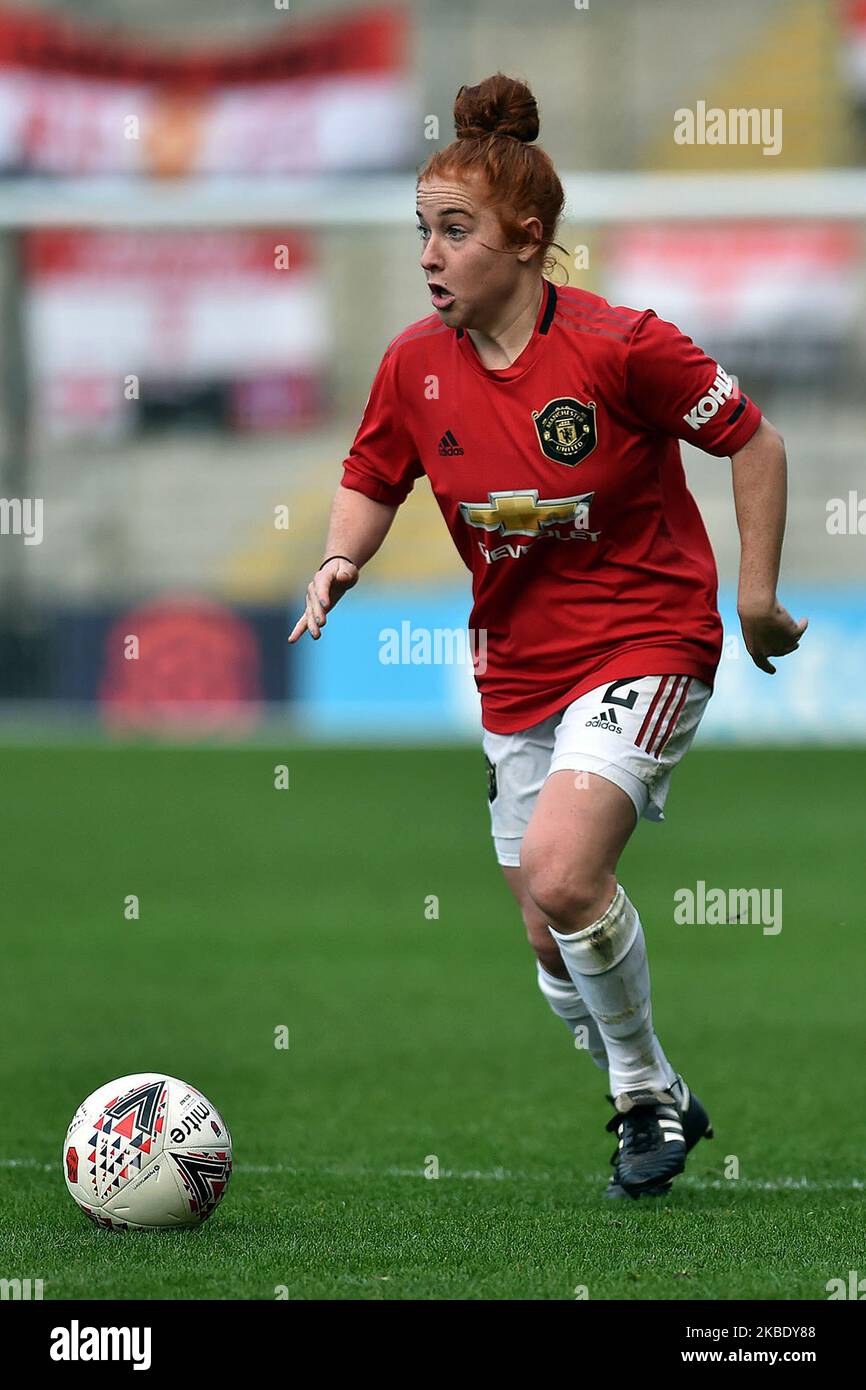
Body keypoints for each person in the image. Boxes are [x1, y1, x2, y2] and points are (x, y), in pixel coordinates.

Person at [288, 72, 807, 1198]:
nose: (428, 254)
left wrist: (755, 599)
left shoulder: (624, 348)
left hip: (646, 635)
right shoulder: (411, 367)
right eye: (420, 230)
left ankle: (632, 1101)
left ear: (526, 241)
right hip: (516, 667)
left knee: (566, 876)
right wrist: (340, 559)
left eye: (454, 231)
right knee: (545, 931)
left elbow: (752, 443)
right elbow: (373, 472)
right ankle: (659, 1084)